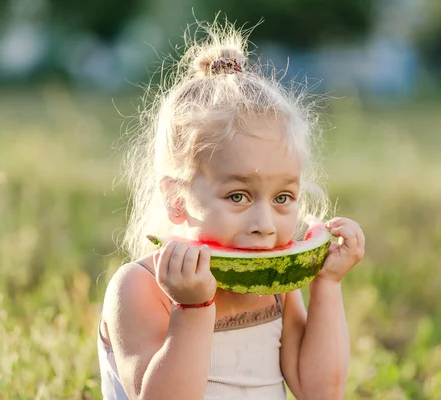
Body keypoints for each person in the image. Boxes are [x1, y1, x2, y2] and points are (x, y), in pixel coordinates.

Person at [98, 19, 365, 400]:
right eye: (238, 196)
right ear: (177, 198)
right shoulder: (140, 288)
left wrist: (327, 285)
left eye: (283, 198)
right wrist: (192, 309)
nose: (264, 225)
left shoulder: (275, 286)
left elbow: (321, 391)